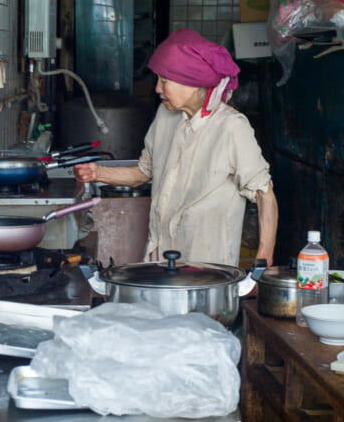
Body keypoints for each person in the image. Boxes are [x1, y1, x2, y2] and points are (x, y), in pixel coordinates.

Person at [74, 29, 277, 268]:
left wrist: (264, 259)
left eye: (165, 81)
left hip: (207, 267)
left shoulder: (231, 127)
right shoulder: (166, 115)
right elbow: (144, 172)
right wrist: (98, 173)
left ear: (192, 82)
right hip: (160, 258)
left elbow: (265, 195)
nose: (157, 89)